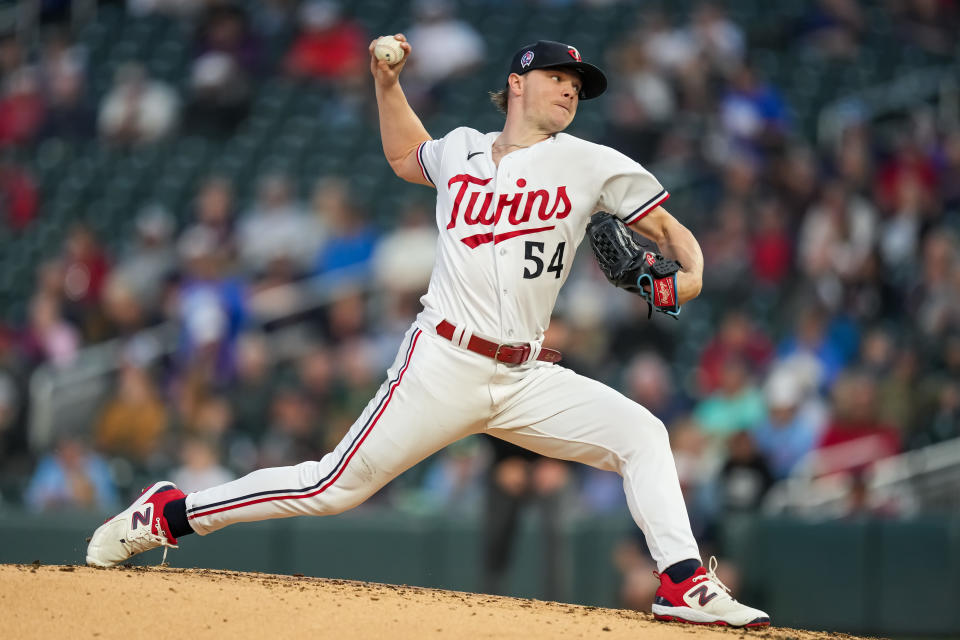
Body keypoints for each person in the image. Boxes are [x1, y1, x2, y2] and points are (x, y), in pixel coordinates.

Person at [86, 36, 770, 628]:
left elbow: (671, 235)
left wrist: (690, 275)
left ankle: (684, 582)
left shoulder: (590, 162)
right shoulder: (462, 151)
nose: (569, 91)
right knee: (331, 487)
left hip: (526, 375)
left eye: (577, 86)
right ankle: (171, 513)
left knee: (642, 434)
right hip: (442, 361)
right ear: (516, 83)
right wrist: (387, 83)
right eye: (558, 78)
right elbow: (406, 153)